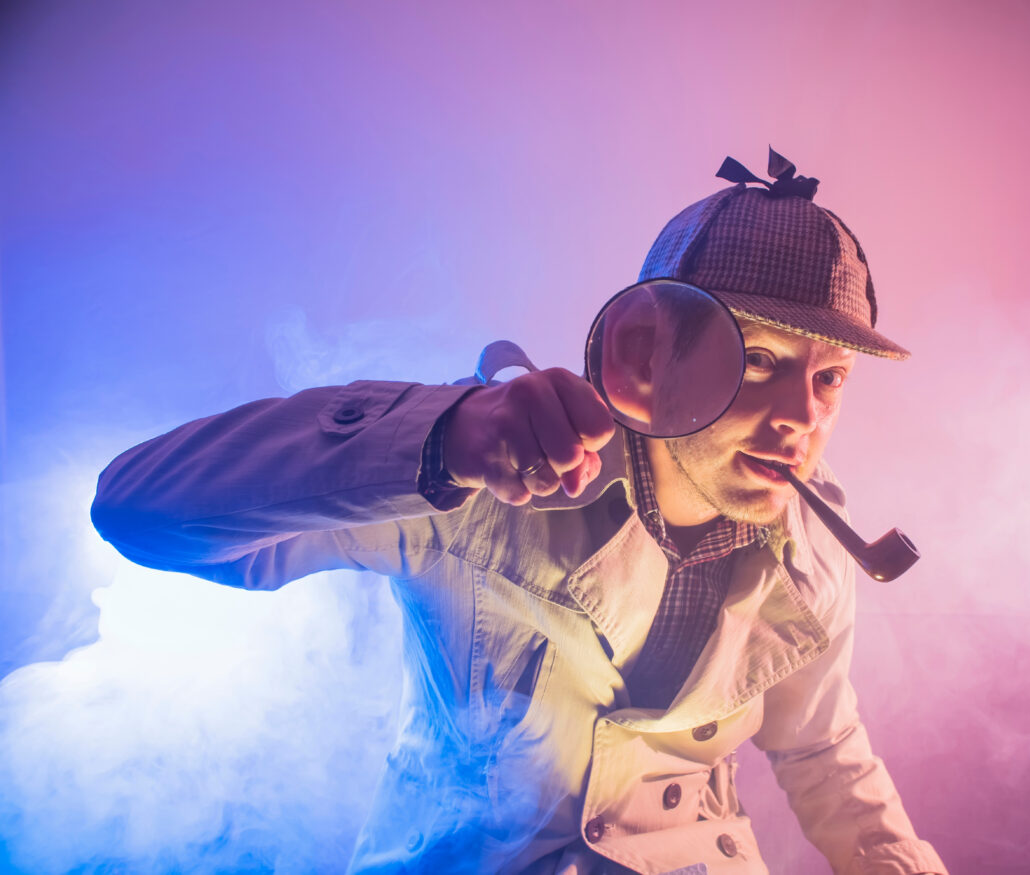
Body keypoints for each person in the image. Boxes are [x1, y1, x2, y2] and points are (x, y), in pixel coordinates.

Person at [91, 150, 949, 875]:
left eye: (829, 376)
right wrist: (438, 439)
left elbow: (821, 750)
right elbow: (139, 509)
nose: (802, 416)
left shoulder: (817, 556)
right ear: (651, 353)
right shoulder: (484, 490)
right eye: (758, 359)